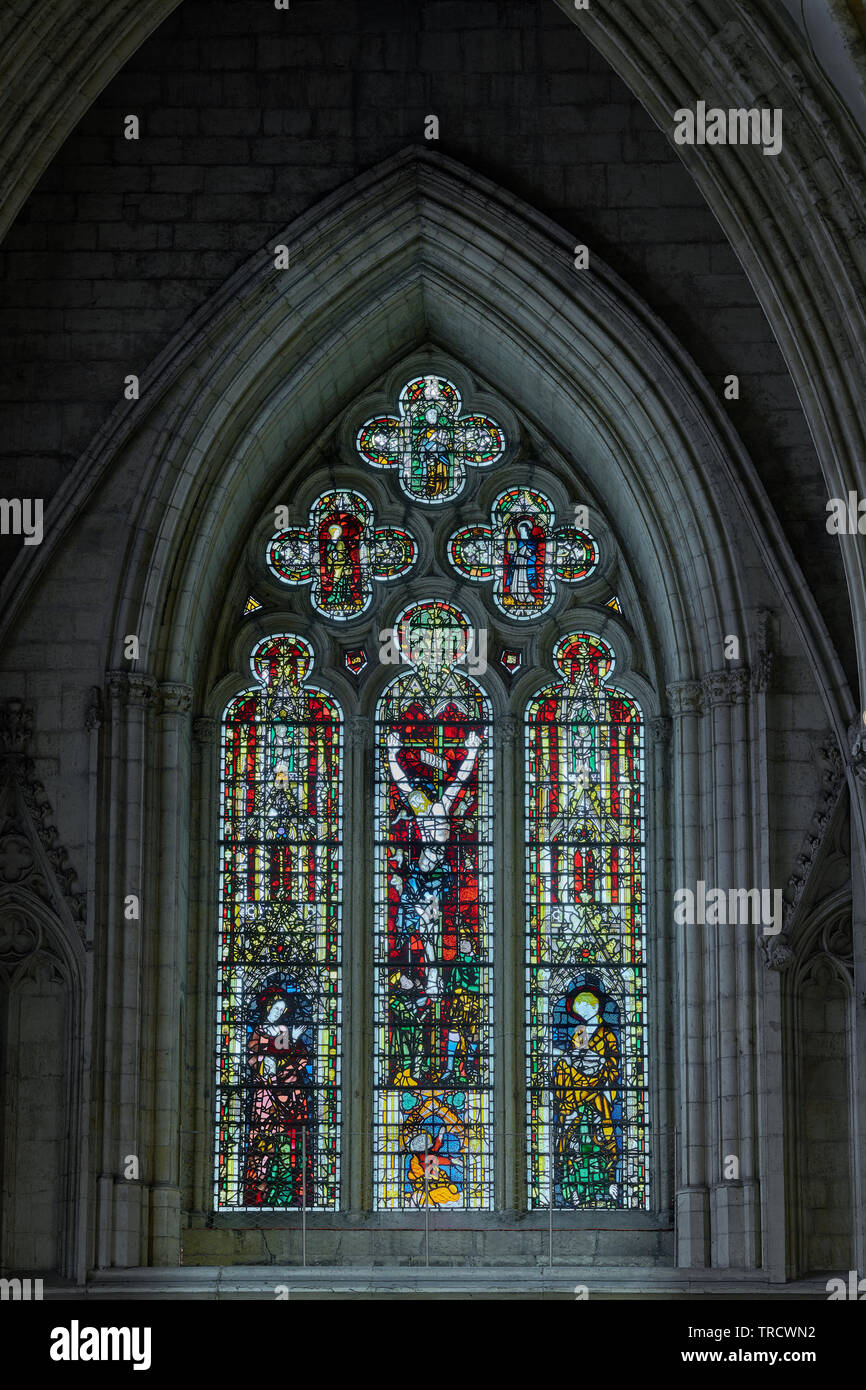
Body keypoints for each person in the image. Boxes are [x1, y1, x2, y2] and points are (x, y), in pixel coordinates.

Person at [386, 727, 482, 995]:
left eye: (416, 798)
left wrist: (472, 752)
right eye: (412, 800)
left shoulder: (440, 806)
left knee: (429, 927)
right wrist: (392, 756)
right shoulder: (420, 813)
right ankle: (431, 975)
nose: (413, 800)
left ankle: (433, 975)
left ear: (423, 796)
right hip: (423, 874)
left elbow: (460, 781)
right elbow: (401, 783)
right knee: (424, 926)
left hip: (435, 875)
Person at [552, 988, 619, 1205]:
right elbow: (575, 1056)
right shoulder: (580, 1031)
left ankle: (606, 1185)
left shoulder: (606, 1033)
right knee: (574, 1143)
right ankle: (575, 1189)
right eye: (579, 1010)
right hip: (577, 1091)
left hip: (598, 1094)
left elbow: (613, 1065)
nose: (581, 1013)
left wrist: (598, 1062)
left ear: (594, 1007)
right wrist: (571, 1060)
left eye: (584, 1008)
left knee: (600, 1139)